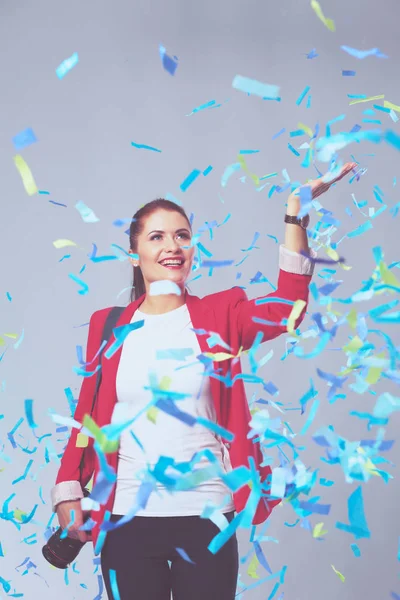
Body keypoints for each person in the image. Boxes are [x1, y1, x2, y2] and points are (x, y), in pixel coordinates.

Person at [51, 163, 355, 599]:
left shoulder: (220, 315)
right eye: (156, 237)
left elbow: (288, 307)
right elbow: (87, 418)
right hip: (125, 520)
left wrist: (294, 215)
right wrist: (67, 491)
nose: (173, 246)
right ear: (133, 254)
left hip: (207, 518)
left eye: (181, 235)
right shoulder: (108, 325)